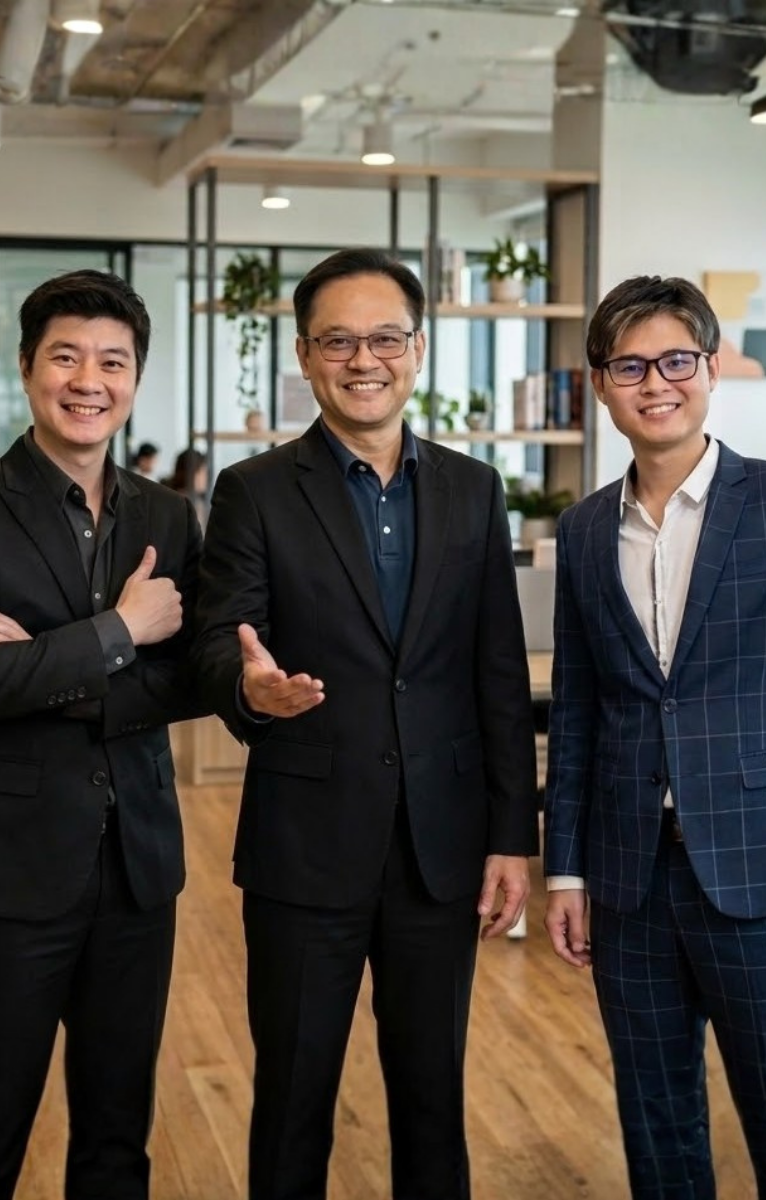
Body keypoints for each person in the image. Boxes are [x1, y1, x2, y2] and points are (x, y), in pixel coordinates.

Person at [194, 246, 537, 1200]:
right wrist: (248, 690)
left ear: (418, 350)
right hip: (306, 846)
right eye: (338, 341)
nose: (363, 360)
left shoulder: (475, 489)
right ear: (305, 356)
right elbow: (221, 640)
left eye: (385, 338)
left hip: (441, 846)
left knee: (432, 1099)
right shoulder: (255, 490)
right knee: (293, 1097)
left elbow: (498, 674)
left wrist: (512, 835)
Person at [542, 274, 766, 1199]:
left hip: (764, 863)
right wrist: (565, 871)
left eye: (675, 360)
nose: (655, 383)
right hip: (630, 875)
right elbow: (578, 708)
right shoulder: (583, 531)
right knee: (656, 1121)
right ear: (601, 384)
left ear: (709, 368)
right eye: (629, 366)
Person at [0, 269, 207, 1200]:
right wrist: (121, 632)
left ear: (136, 377)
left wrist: (42, 662)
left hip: (138, 867)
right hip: (9, 868)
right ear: (28, 367)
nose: (89, 381)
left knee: (118, 1142)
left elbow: (192, 676)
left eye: (112, 362)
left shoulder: (167, 514)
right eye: (66, 357)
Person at [162, 446, 209, 524]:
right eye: (203, 471)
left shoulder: (196, 501)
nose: (206, 477)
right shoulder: (183, 505)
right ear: (193, 474)